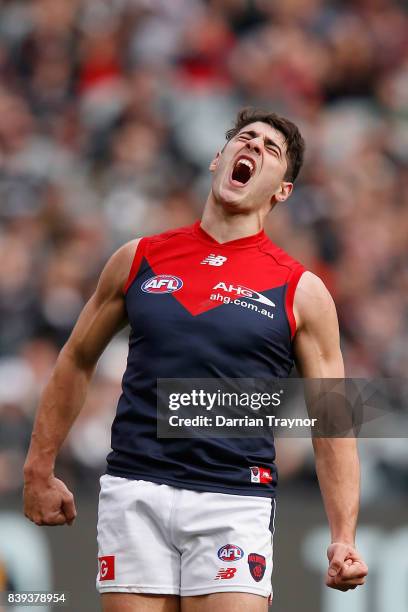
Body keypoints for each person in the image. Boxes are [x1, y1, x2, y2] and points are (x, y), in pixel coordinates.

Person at [23, 108, 368, 611]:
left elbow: (333, 418)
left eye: (271, 150)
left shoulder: (301, 290)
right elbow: (77, 359)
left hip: (234, 499)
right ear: (218, 158)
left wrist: (343, 534)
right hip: (135, 488)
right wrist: (39, 466)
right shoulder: (139, 258)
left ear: (282, 190)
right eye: (245, 139)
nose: (253, 148)